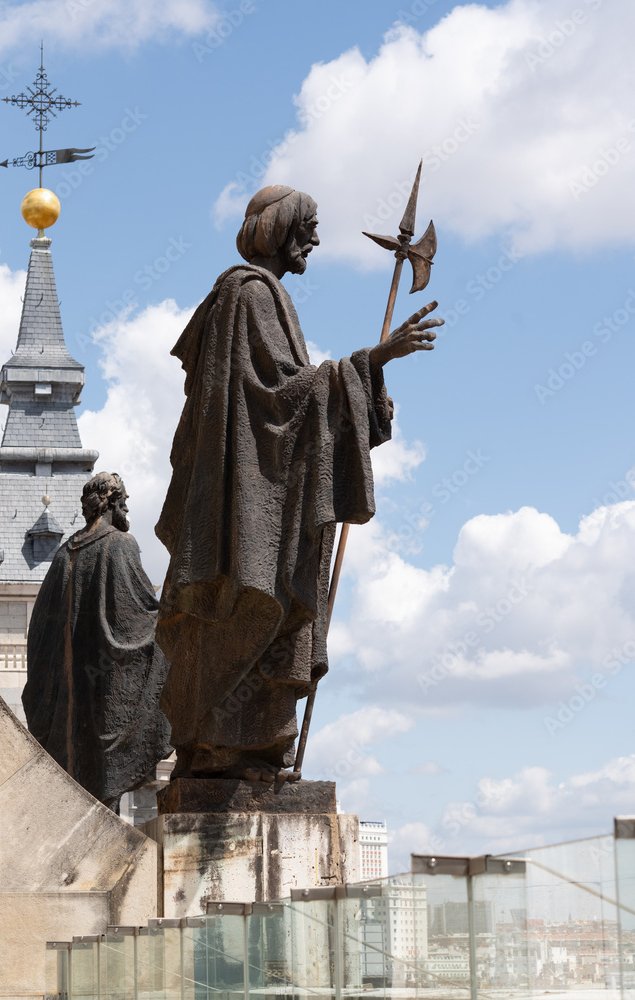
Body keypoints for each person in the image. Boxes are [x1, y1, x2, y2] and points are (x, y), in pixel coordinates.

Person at [155, 185, 441, 783]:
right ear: (280, 227)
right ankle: (225, 749)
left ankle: (243, 749)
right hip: (246, 500)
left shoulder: (255, 295)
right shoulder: (252, 293)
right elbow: (273, 401)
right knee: (257, 599)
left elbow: (283, 392)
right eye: (307, 226)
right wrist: (373, 361)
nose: (314, 239)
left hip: (247, 489)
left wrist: (357, 378)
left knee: (257, 611)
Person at [24, 472, 171, 809]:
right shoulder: (120, 544)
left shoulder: (64, 555)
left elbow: (40, 637)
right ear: (112, 502)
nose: (128, 507)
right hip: (104, 692)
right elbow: (140, 621)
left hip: (68, 706)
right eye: (125, 500)